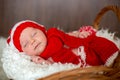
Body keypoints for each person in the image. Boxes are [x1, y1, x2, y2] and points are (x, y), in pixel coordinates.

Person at [7, 20, 119, 67]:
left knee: (97, 42)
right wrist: (39, 61)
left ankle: (114, 61)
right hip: (78, 65)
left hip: (85, 50)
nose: (32, 41)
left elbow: (68, 36)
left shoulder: (53, 35)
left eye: (34, 34)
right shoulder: (37, 58)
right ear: (24, 52)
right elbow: (49, 67)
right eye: (26, 44)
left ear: (42, 31)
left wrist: (79, 35)